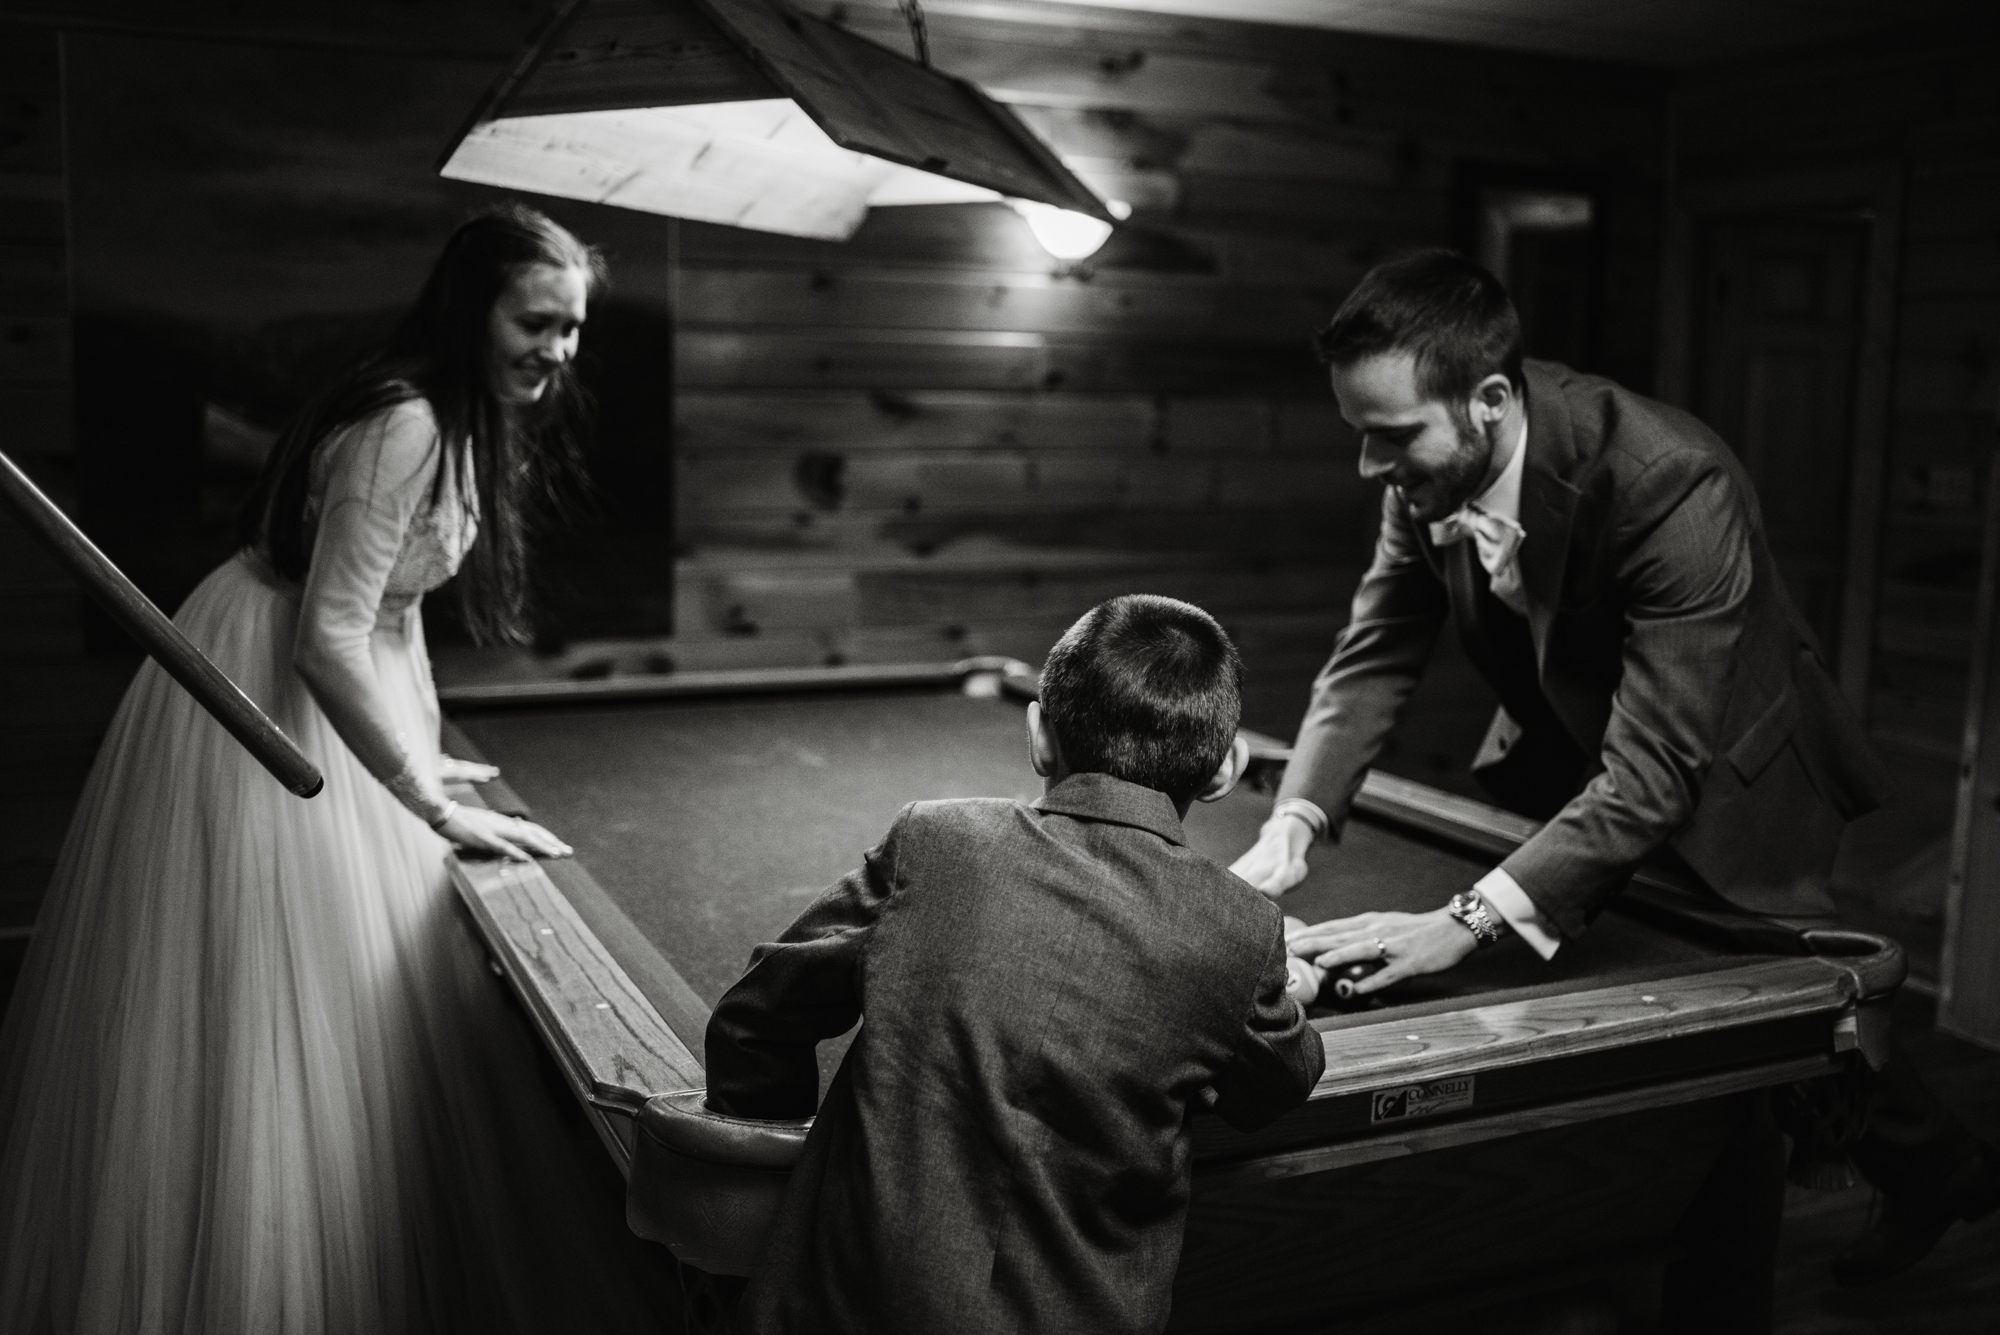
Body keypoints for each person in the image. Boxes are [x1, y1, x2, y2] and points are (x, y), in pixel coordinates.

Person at [1230, 248, 1999, 1286]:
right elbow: (1373, 655)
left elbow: (1653, 770)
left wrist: (1458, 923)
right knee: (1673, 981)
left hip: (1736, 772)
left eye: (1388, 436)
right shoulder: (1424, 473)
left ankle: (1734, 1261)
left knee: (1745, 1007)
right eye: (1357, 434)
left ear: (1489, 400)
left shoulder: (1669, 476)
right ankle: (1934, 1168)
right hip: (1583, 751)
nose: (1369, 466)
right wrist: (1294, 824)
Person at [0, 204, 673, 1332]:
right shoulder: (405, 420)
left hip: (321, 674)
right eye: (537, 322)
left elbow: (392, 621)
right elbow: (327, 637)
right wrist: (416, 793)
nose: (558, 351)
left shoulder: (462, 418)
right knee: (277, 989)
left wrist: (425, 758)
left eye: (571, 330)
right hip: (259, 691)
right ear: (475, 312)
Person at [704, 594, 1326, 1335]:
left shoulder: (934, 839)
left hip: (833, 1310)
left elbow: (754, 1018)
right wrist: (1283, 986)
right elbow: (1279, 1085)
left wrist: (777, 1180)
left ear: (1039, 736)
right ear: (1225, 770)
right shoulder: (1241, 927)